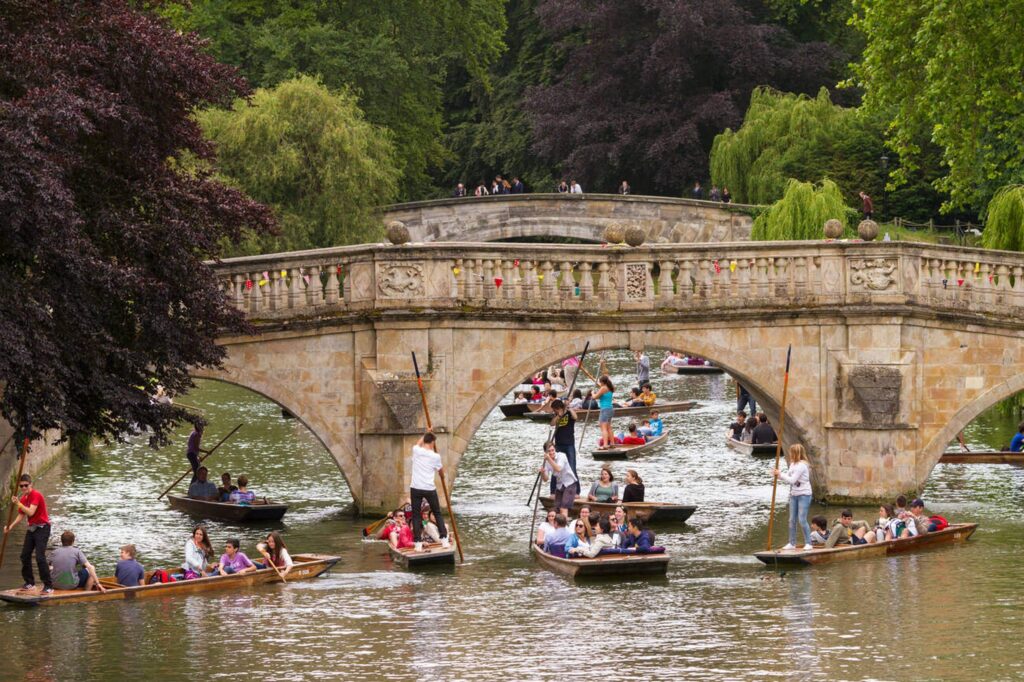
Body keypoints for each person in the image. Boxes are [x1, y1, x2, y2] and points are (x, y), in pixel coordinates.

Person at [5, 474, 53, 592]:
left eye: (26, 485)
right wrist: (10, 527)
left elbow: (31, 512)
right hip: (32, 529)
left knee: (40, 557)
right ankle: (29, 582)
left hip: (43, 528)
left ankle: (48, 585)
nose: (23, 488)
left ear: (31, 485)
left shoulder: (36, 495)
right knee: (24, 555)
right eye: (21, 486)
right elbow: (21, 515)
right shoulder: (23, 499)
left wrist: (18, 504)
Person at [410, 432, 449, 545]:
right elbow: (440, 471)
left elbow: (418, 443)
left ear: (424, 440)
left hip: (415, 488)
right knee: (437, 512)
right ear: (432, 442)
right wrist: (442, 476)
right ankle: (444, 539)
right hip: (429, 488)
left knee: (416, 515)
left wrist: (426, 432)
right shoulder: (435, 456)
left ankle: (417, 542)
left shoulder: (416, 450)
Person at [773, 443, 813, 550]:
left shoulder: (802, 465)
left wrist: (780, 474)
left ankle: (808, 543)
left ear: (796, 453)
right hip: (794, 494)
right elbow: (788, 478)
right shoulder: (793, 464)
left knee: (802, 519)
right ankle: (792, 543)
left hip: (804, 494)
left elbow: (792, 480)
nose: (790, 454)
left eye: (791, 452)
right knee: (791, 519)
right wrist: (778, 475)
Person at [540, 441, 579, 517]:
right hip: (560, 485)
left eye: (553, 450)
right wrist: (542, 473)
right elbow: (546, 479)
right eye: (549, 451)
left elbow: (558, 468)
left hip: (570, 484)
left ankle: (563, 526)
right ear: (545, 452)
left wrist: (549, 459)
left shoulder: (562, 456)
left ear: (555, 449)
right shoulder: (546, 462)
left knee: (563, 508)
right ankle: (558, 525)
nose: (551, 452)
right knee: (557, 508)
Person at [549, 399, 579, 491]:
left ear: (558, 408)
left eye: (555, 409)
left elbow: (576, 417)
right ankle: (553, 491)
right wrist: (558, 415)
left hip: (569, 444)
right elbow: (552, 423)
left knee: (572, 467)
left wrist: (569, 408)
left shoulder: (569, 413)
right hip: (558, 444)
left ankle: (576, 490)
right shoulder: (556, 415)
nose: (554, 411)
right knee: (555, 467)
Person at [595, 375, 615, 450]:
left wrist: (592, 393)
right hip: (610, 408)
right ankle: (612, 443)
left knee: (603, 428)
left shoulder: (603, 388)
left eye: (600, 382)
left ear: (602, 382)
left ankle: (605, 445)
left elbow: (595, 397)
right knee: (609, 427)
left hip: (604, 409)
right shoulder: (610, 387)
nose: (600, 383)